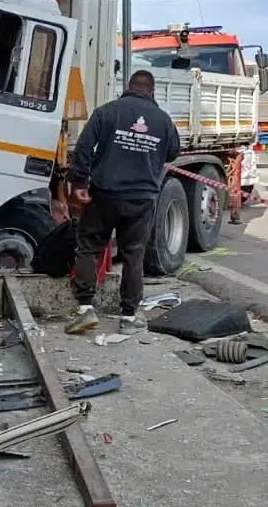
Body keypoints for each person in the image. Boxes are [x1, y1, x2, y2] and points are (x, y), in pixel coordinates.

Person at [65, 70, 182, 334]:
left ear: (129, 86)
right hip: (142, 199)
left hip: (105, 194)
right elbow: (173, 152)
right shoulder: (163, 120)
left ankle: (85, 309)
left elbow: (84, 146)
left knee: (88, 248)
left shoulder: (107, 111)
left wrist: (80, 183)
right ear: (152, 92)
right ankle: (128, 318)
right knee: (133, 256)